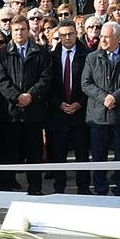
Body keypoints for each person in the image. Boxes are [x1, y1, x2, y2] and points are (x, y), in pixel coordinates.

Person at [0, 18, 51, 194]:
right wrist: (16, 97)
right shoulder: (2, 53)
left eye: (22, 29)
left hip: (34, 112)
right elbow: (1, 80)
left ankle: (35, 188)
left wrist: (30, 95)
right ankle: (9, 186)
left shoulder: (40, 52)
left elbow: (45, 78)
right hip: (11, 113)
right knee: (10, 153)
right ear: (11, 31)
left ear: (28, 30)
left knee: (34, 153)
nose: (19, 33)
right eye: (16, 29)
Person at [82, 20, 120, 196]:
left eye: (106, 37)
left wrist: (116, 97)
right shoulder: (92, 57)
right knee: (99, 155)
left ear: (117, 38)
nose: (103, 40)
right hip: (98, 116)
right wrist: (104, 98)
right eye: (101, 37)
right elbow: (86, 84)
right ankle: (100, 187)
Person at [47, 23, 93, 194]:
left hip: (80, 112)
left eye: (71, 34)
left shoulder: (87, 55)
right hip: (58, 113)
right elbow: (48, 84)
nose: (67, 38)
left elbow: (90, 82)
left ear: (76, 34)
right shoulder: (51, 57)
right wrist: (58, 103)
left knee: (82, 154)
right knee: (59, 155)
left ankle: (84, 188)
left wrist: (80, 103)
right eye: (64, 35)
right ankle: (59, 188)